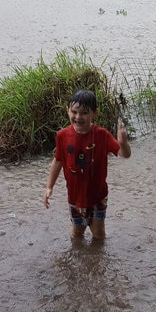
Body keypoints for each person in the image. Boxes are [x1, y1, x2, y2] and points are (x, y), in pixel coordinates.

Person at [43, 88, 131, 240]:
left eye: (84, 113)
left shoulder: (102, 135)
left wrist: (123, 143)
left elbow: (125, 155)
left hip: (98, 196)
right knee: (77, 234)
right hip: (75, 197)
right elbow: (58, 160)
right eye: (74, 112)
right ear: (67, 111)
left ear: (94, 113)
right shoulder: (62, 135)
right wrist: (49, 186)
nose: (78, 117)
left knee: (99, 234)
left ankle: (97, 261)